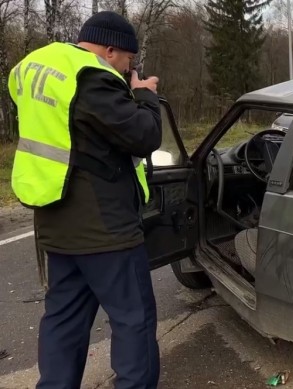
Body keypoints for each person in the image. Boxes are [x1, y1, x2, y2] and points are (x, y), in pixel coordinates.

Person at [8, 11, 162, 388]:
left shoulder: (34, 66)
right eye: (129, 62)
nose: (129, 70)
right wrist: (145, 95)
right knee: (133, 318)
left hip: (54, 220)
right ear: (110, 51)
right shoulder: (90, 76)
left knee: (64, 318)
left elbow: (72, 132)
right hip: (104, 227)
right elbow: (143, 135)